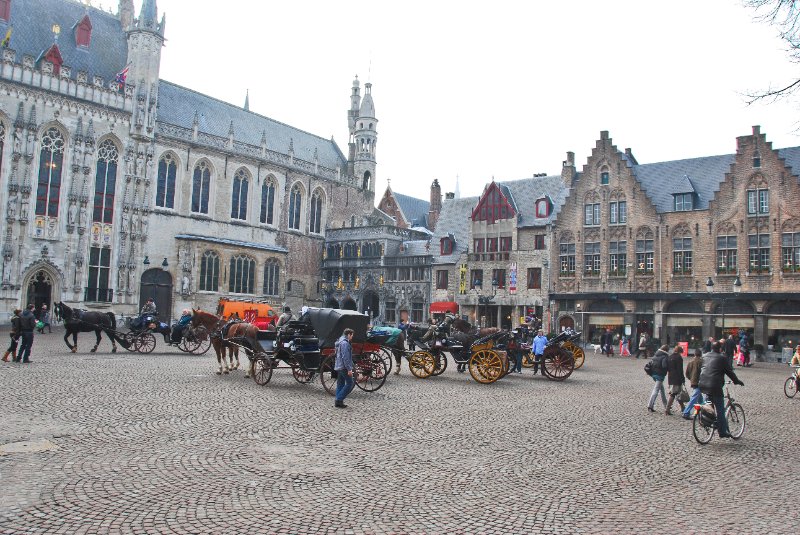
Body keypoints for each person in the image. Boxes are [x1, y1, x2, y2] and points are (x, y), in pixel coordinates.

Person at [698, 341, 744, 438]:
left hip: (703, 385)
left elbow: (702, 369)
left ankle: (707, 421)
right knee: (720, 411)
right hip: (715, 386)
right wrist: (737, 381)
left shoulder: (705, 355)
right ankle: (722, 432)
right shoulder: (722, 358)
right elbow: (729, 372)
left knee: (708, 406)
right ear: (720, 349)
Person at [334, 328, 355, 408]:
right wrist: (349, 369)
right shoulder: (345, 344)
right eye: (352, 335)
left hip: (339, 365)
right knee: (350, 383)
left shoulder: (340, 341)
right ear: (348, 334)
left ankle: (338, 401)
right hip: (343, 367)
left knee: (340, 384)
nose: (352, 337)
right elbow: (345, 357)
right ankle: (339, 399)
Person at [647, 344, 670, 412]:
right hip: (660, 375)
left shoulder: (656, 355)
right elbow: (664, 366)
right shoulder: (664, 356)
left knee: (662, 390)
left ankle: (666, 405)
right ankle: (650, 405)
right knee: (656, 390)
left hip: (653, 374)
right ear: (666, 350)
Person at [682, 348, 704, 420]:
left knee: (700, 399)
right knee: (694, 398)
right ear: (700, 354)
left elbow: (687, 373)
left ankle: (702, 412)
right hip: (700, 382)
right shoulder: (702, 362)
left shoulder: (690, 362)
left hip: (693, 382)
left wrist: (691, 379)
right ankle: (686, 412)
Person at [665, 345, 686, 415]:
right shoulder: (679, 358)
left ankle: (683, 407)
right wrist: (683, 379)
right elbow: (680, 370)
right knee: (673, 393)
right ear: (680, 351)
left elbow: (667, 368)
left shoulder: (670, 357)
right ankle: (667, 409)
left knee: (678, 393)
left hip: (671, 377)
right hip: (677, 378)